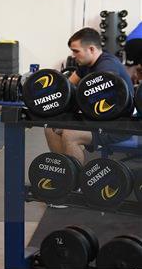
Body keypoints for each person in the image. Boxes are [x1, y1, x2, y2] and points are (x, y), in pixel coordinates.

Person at [44, 27, 134, 165]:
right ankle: (64, 172)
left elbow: (104, 107)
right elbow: (67, 88)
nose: (73, 55)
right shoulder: (86, 63)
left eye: (76, 51)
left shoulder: (107, 67)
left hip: (118, 124)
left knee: (70, 134)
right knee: (50, 128)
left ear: (91, 49)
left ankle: (77, 182)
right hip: (99, 118)